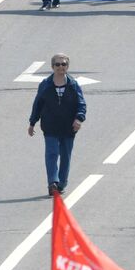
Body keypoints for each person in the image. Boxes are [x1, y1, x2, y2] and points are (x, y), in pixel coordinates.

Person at [27, 53, 86, 195]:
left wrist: (79, 119)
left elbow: (81, 104)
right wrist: (32, 122)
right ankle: (52, 182)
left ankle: (62, 183)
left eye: (64, 64)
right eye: (58, 64)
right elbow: (38, 104)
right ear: (53, 67)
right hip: (50, 126)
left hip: (68, 127)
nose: (61, 67)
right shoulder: (45, 85)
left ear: (67, 66)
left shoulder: (73, 85)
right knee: (52, 154)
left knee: (65, 155)